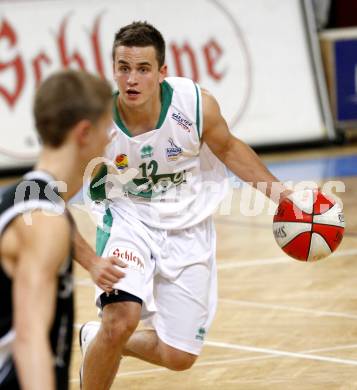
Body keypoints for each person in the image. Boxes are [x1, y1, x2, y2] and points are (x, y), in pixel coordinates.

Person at [76, 21, 290, 390]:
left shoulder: (194, 106)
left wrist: (283, 198)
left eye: (143, 69)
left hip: (187, 226)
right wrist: (91, 261)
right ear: (113, 70)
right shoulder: (96, 124)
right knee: (121, 320)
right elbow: (50, 197)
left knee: (178, 356)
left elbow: (229, 148)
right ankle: (106, 336)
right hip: (127, 219)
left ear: (162, 73)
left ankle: (97, 338)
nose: (132, 79)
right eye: (123, 68)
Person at [0, 69, 116, 389]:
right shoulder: (43, 218)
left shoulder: (32, 200)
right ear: (83, 133)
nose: (110, 140)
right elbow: (28, 337)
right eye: (106, 128)